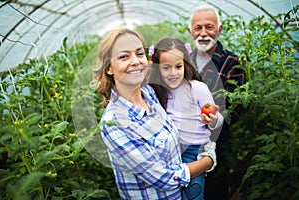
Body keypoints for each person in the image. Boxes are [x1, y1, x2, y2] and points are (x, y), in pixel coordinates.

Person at [93, 27, 217, 200]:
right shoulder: (114, 123)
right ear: (109, 68)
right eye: (123, 56)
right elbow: (163, 179)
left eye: (139, 53)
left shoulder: (150, 94)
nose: (135, 61)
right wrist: (208, 161)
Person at [148, 37, 224, 200]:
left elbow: (217, 120)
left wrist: (213, 119)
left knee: (193, 195)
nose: (173, 73)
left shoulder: (197, 88)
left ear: (185, 65)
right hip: (169, 152)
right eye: (166, 68)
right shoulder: (157, 91)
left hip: (194, 152)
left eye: (178, 66)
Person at [187, 4, 246, 200]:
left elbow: (235, 111)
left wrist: (214, 118)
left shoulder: (231, 62)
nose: (203, 33)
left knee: (215, 190)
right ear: (190, 32)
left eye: (209, 27)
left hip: (217, 142)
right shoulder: (184, 62)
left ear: (219, 30)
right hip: (184, 142)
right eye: (198, 28)